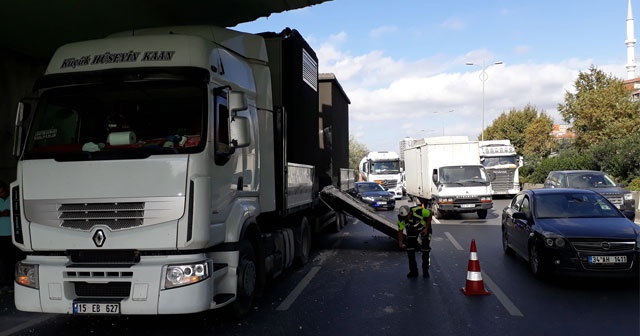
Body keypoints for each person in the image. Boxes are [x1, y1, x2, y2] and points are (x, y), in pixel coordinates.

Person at [397, 204, 433, 278]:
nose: (405, 219)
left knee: (425, 249)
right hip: (412, 230)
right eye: (403, 218)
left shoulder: (419, 211)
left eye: (406, 217)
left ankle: (425, 270)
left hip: (424, 228)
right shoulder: (401, 218)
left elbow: (430, 214)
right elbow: (400, 230)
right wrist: (400, 242)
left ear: (410, 213)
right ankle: (413, 271)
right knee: (410, 250)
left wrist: (426, 228)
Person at [0, 181, 14, 292]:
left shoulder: (12, 198)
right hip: (1, 235)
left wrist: (10, 213)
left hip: (12, 235)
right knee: (3, 261)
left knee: (12, 259)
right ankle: (5, 284)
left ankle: (12, 283)